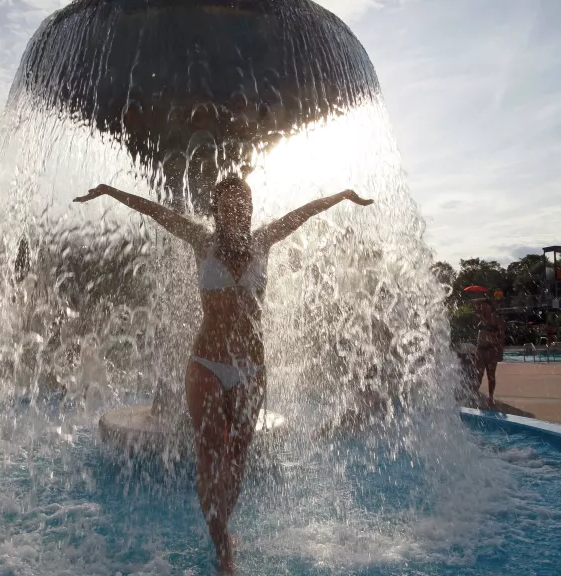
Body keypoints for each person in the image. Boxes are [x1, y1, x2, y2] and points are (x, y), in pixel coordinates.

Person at [74, 178, 372, 573]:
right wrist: (111, 192)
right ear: (217, 211)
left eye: (243, 206)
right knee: (210, 449)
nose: (237, 213)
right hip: (207, 363)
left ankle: (222, 524)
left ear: (249, 209)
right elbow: (155, 211)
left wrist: (342, 196)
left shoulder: (264, 241)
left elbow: (303, 213)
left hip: (251, 367)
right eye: (229, 206)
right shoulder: (202, 242)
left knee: (237, 457)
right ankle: (221, 547)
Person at [473, 298, 506, 404]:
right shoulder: (481, 318)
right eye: (482, 307)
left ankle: (491, 397)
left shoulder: (496, 320)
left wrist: (497, 345)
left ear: (490, 308)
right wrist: (481, 299)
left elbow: (502, 337)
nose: (483, 309)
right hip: (480, 349)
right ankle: (474, 393)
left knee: (490, 376)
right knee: (478, 374)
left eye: (485, 307)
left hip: (491, 350)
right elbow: (473, 304)